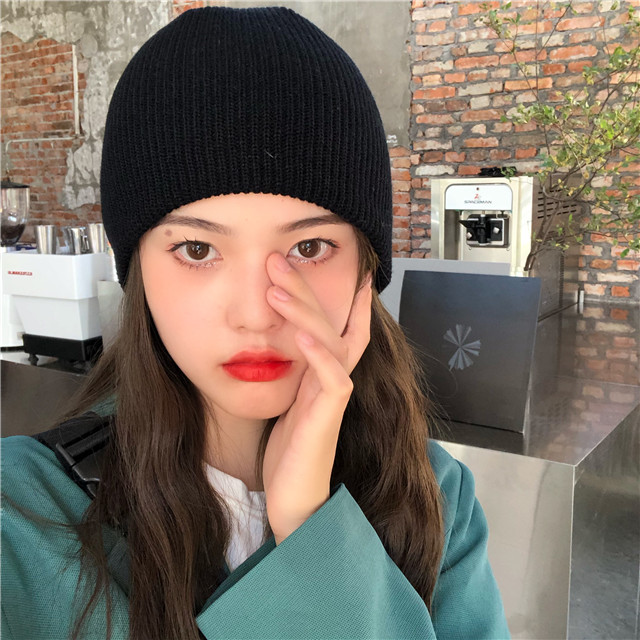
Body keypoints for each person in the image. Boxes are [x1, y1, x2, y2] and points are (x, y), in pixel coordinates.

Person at [1, 6, 510, 640]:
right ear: (137, 272)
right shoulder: (22, 516)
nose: (254, 313)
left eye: (309, 247)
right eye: (196, 249)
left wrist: (310, 526)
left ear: (366, 269)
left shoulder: (432, 493)